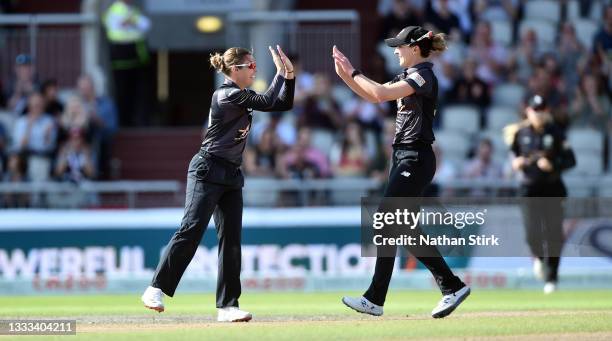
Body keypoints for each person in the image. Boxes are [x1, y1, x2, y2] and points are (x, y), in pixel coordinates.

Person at [140, 45, 294, 322]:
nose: (255, 70)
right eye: (251, 66)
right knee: (191, 230)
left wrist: (289, 78)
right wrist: (281, 73)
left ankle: (228, 306)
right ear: (236, 70)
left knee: (231, 241)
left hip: (231, 174)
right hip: (207, 169)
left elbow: (282, 103)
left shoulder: (240, 95)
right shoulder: (226, 94)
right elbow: (270, 99)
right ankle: (155, 288)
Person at [332, 26, 470, 318]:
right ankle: (451, 286)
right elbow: (372, 96)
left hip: (415, 157)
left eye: (400, 46)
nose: (395, 50)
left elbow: (380, 94)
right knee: (403, 228)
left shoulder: (423, 75)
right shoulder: (409, 76)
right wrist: (346, 76)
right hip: (404, 158)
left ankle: (376, 298)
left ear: (415, 49)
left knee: (386, 220)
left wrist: (353, 72)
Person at [510, 95, 576, 294]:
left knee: (554, 234)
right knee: (532, 233)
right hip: (529, 189)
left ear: (547, 112)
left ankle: (552, 277)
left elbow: (571, 160)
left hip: (553, 188)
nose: (538, 114)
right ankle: (539, 259)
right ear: (528, 111)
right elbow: (513, 156)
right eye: (534, 110)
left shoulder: (556, 133)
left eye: (541, 110)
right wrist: (516, 163)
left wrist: (553, 165)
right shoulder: (520, 134)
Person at [103, 0, 152, 126]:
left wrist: (132, 21)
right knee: (122, 91)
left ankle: (137, 120)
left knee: (136, 91)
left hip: (135, 57)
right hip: (121, 57)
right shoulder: (114, 10)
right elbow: (112, 27)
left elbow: (146, 24)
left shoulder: (133, 10)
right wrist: (128, 22)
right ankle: (124, 121)